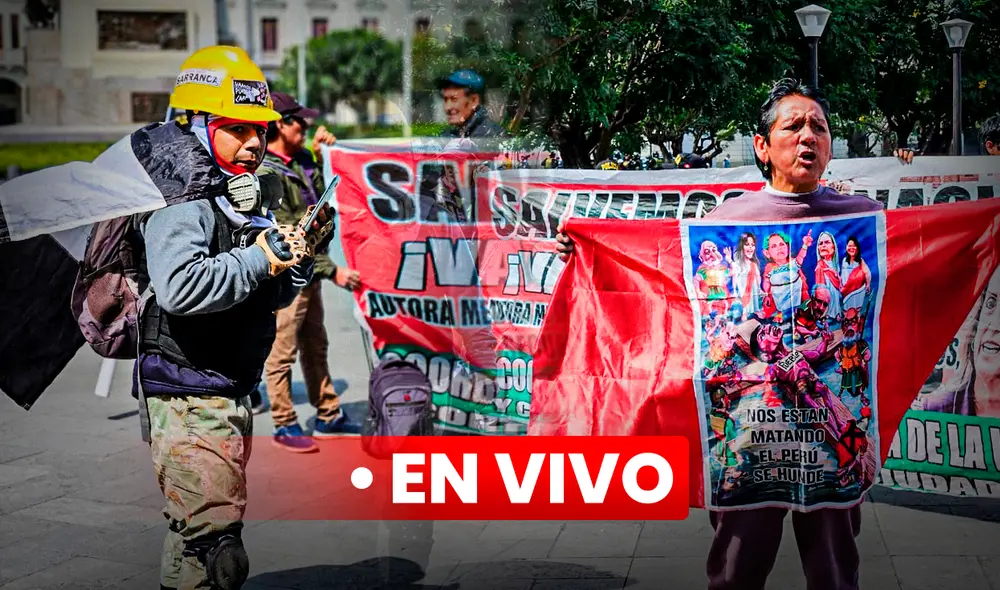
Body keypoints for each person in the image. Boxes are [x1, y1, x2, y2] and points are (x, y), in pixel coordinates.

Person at [557, 78, 884, 590]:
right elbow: (658, 277)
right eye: (793, 126)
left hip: (828, 431)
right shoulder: (724, 221)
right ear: (762, 146)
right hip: (748, 435)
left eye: (819, 127)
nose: (808, 137)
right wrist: (585, 248)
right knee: (735, 571)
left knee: (835, 570)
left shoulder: (865, 219)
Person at [135, 46, 331, 590]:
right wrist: (260, 258)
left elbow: (265, 295)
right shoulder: (184, 199)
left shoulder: (237, 196)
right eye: (236, 130)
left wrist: (296, 260)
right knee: (216, 548)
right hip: (187, 391)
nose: (252, 144)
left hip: (226, 386)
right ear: (197, 126)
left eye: (259, 131)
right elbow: (179, 288)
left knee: (192, 541)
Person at [259, 92, 361, 453]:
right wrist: (332, 271)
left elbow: (319, 205)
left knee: (316, 346)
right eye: (299, 121)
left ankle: (328, 415)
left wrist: (322, 156)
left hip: (311, 274)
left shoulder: (302, 160)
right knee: (282, 351)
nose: (306, 126)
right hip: (288, 276)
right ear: (280, 124)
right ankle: (284, 422)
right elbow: (291, 233)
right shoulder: (267, 170)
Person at [437, 69, 506, 139]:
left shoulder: (491, 137)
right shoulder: (449, 134)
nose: (447, 107)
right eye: (445, 100)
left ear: (474, 101)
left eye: (454, 99)